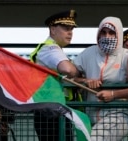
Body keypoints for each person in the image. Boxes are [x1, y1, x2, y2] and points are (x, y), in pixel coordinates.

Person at [73, 17, 128, 141]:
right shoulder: (87, 54)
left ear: (119, 35)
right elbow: (67, 78)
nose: (107, 36)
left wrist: (113, 94)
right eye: (103, 32)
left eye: (112, 33)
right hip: (89, 119)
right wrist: (85, 81)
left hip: (119, 117)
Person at [30, 9, 79, 141]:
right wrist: (78, 71)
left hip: (53, 108)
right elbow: (68, 69)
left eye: (72, 29)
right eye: (65, 28)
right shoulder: (50, 49)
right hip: (51, 111)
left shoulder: (53, 48)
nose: (70, 32)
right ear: (52, 29)